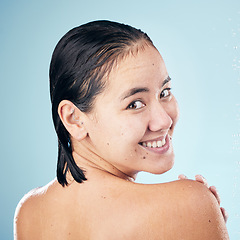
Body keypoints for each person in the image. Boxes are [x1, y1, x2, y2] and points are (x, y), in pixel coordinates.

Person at [14, 20, 229, 239]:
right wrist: (197, 212)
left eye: (164, 92)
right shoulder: (188, 203)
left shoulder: (29, 211)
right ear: (74, 118)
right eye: (134, 104)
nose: (164, 121)